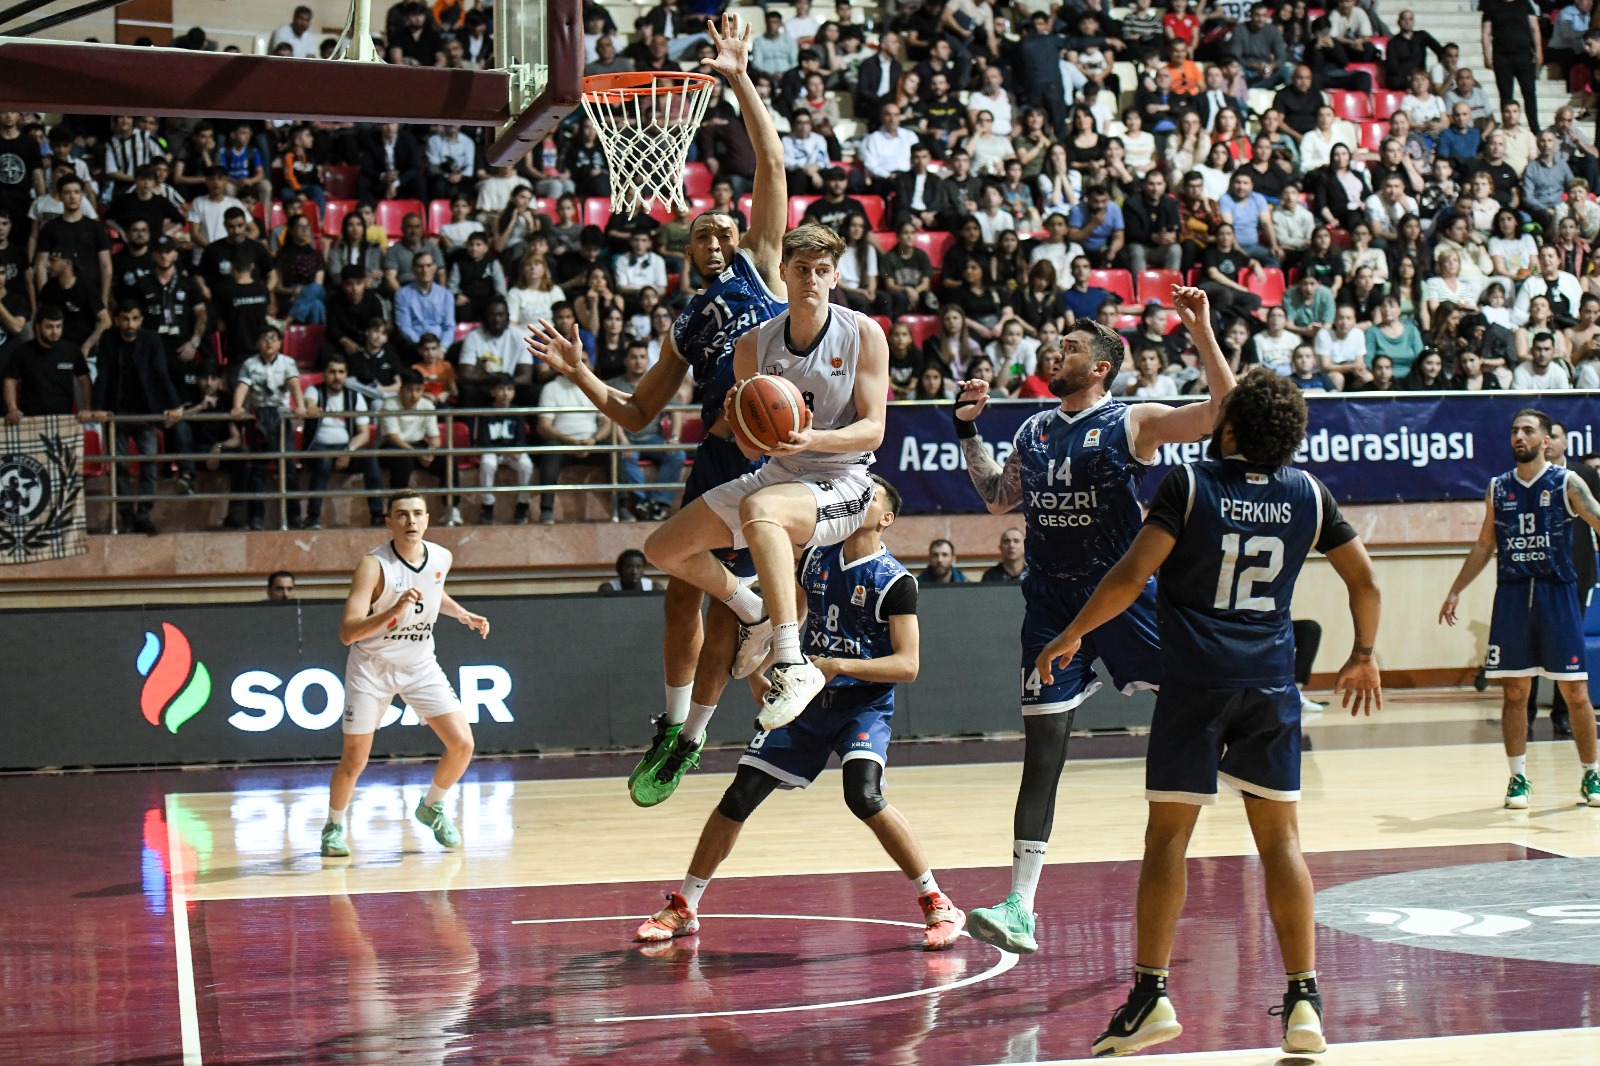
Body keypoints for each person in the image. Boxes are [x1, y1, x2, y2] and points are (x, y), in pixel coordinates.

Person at [1073, 368, 1382, 1058]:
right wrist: (1363, 653)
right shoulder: (1308, 491)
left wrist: (1070, 636)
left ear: (1231, 428)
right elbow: (1365, 579)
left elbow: (1130, 577)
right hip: (1270, 685)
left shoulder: (1189, 485)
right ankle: (1304, 1000)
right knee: (1281, 844)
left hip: (1198, 684)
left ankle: (1150, 996)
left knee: (1167, 841)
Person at [526, 13, 789, 807]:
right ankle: (677, 729)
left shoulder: (764, 271)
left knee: (707, 592)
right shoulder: (684, 322)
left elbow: (772, 159)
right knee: (680, 588)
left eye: (719, 229)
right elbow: (637, 414)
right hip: (712, 454)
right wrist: (578, 371)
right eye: (698, 234)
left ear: (737, 235)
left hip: (768, 453)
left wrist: (739, 77)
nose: (709, 239)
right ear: (685, 252)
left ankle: (707, 719)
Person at [949, 287, 1238, 955]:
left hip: (1123, 599)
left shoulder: (1132, 422)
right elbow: (999, 499)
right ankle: (1021, 903)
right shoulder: (1034, 429)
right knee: (1041, 755)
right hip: (1051, 606)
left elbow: (1221, 413)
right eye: (1059, 346)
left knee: (1206, 701)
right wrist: (967, 431)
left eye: (1071, 348)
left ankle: (1251, 740)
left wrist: (1199, 328)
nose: (1058, 352)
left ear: (1102, 365)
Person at [632, 474, 966, 952]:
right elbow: (778, 623)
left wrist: (833, 665)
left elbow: (907, 665)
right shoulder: (815, 558)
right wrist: (758, 672)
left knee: (864, 796)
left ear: (885, 517)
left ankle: (936, 901)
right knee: (738, 796)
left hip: (861, 706)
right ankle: (684, 906)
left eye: (868, 494)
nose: (856, 495)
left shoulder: (896, 581)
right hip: (806, 700)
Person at [636, 220, 887, 739]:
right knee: (662, 549)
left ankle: (793, 661)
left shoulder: (862, 332)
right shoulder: (753, 345)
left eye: (822, 270)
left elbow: (874, 430)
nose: (812, 280)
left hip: (843, 482)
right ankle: (750, 607)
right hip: (780, 472)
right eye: (801, 270)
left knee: (761, 511)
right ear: (784, 274)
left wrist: (810, 438)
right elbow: (754, 446)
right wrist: (741, 419)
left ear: (835, 276)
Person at [1440, 410, 1600, 810]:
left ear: (1546, 440)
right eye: (1514, 430)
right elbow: (1483, 544)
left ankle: (1591, 773)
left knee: (1576, 692)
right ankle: (1517, 778)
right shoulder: (1498, 487)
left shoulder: (1567, 482)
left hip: (1557, 594)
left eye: (1528, 431)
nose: (1519, 436)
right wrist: (1457, 589)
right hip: (1512, 596)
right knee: (1515, 691)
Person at [318, 490, 491, 858]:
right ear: (389, 522)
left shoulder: (442, 556)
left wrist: (461, 613)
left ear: (427, 519)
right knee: (355, 759)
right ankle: (333, 828)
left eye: (417, 514)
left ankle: (432, 807)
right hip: (371, 668)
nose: (411, 521)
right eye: (402, 515)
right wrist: (393, 611)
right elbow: (348, 633)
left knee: (463, 745)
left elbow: (432, 592)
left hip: (419, 665)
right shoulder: (373, 565)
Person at [91, 302, 183, 535]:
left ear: (141, 320)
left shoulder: (151, 340)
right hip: (117, 412)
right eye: (125, 318)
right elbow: (103, 375)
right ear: (117, 319)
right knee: (119, 467)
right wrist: (98, 408)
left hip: (146, 411)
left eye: (134, 319)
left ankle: (143, 514)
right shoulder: (109, 339)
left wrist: (174, 404)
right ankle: (125, 515)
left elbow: (161, 372)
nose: (129, 324)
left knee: (149, 465)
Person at [294, 355, 385, 530]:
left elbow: (364, 434)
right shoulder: (315, 391)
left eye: (341, 372)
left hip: (346, 448)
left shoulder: (355, 397)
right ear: (324, 374)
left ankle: (377, 515)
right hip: (317, 449)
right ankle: (312, 518)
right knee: (324, 462)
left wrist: (348, 451)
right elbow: (309, 402)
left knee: (371, 459)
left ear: (346, 374)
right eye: (332, 372)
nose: (337, 376)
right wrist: (310, 407)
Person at [3, 306, 92, 424]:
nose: (55, 332)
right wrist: (13, 409)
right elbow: (10, 381)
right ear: (38, 327)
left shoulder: (72, 350)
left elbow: (85, 380)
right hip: (31, 420)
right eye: (49, 327)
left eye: (58, 326)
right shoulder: (23, 352)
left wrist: (87, 408)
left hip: (65, 419)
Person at [473, 373, 533, 525]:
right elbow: (483, 440)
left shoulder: (518, 412)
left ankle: (523, 504)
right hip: (493, 451)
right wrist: (505, 450)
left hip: (513, 452)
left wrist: (518, 449)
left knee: (526, 465)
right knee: (487, 464)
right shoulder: (484, 412)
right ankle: (487, 505)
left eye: (510, 388)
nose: (506, 393)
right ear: (493, 392)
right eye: (501, 389)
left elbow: (521, 438)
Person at [1481, 0, 1544, 129]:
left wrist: (1539, 50)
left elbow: (1534, 28)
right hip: (1502, 57)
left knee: (1529, 93)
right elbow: (1486, 33)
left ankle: (1534, 128)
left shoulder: (1525, 3)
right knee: (1505, 94)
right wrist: (1486, 55)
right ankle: (1508, 126)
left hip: (1524, 55)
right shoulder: (1491, 5)